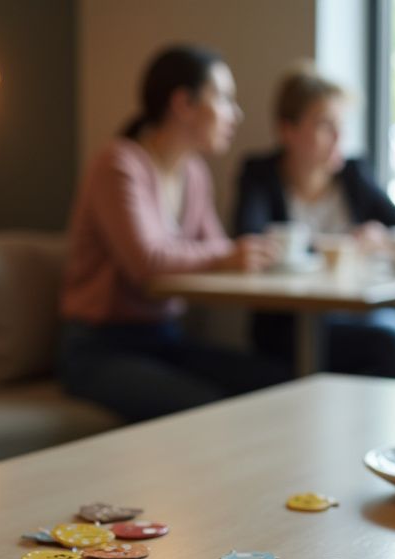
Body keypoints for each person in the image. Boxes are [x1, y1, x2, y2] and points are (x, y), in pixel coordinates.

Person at [59, 45, 288, 423]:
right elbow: (146, 263)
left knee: (275, 381)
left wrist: (238, 256)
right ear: (183, 103)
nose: (236, 114)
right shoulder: (118, 163)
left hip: (165, 338)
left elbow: (213, 246)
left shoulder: (193, 172)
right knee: (204, 407)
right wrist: (227, 256)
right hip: (100, 349)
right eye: (225, 99)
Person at [233, 67, 395, 380]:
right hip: (289, 328)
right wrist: (340, 246)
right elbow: (249, 240)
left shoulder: (353, 177)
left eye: (341, 126)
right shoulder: (260, 175)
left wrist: (383, 240)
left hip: (353, 319)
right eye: (325, 125)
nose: (338, 138)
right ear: (287, 129)